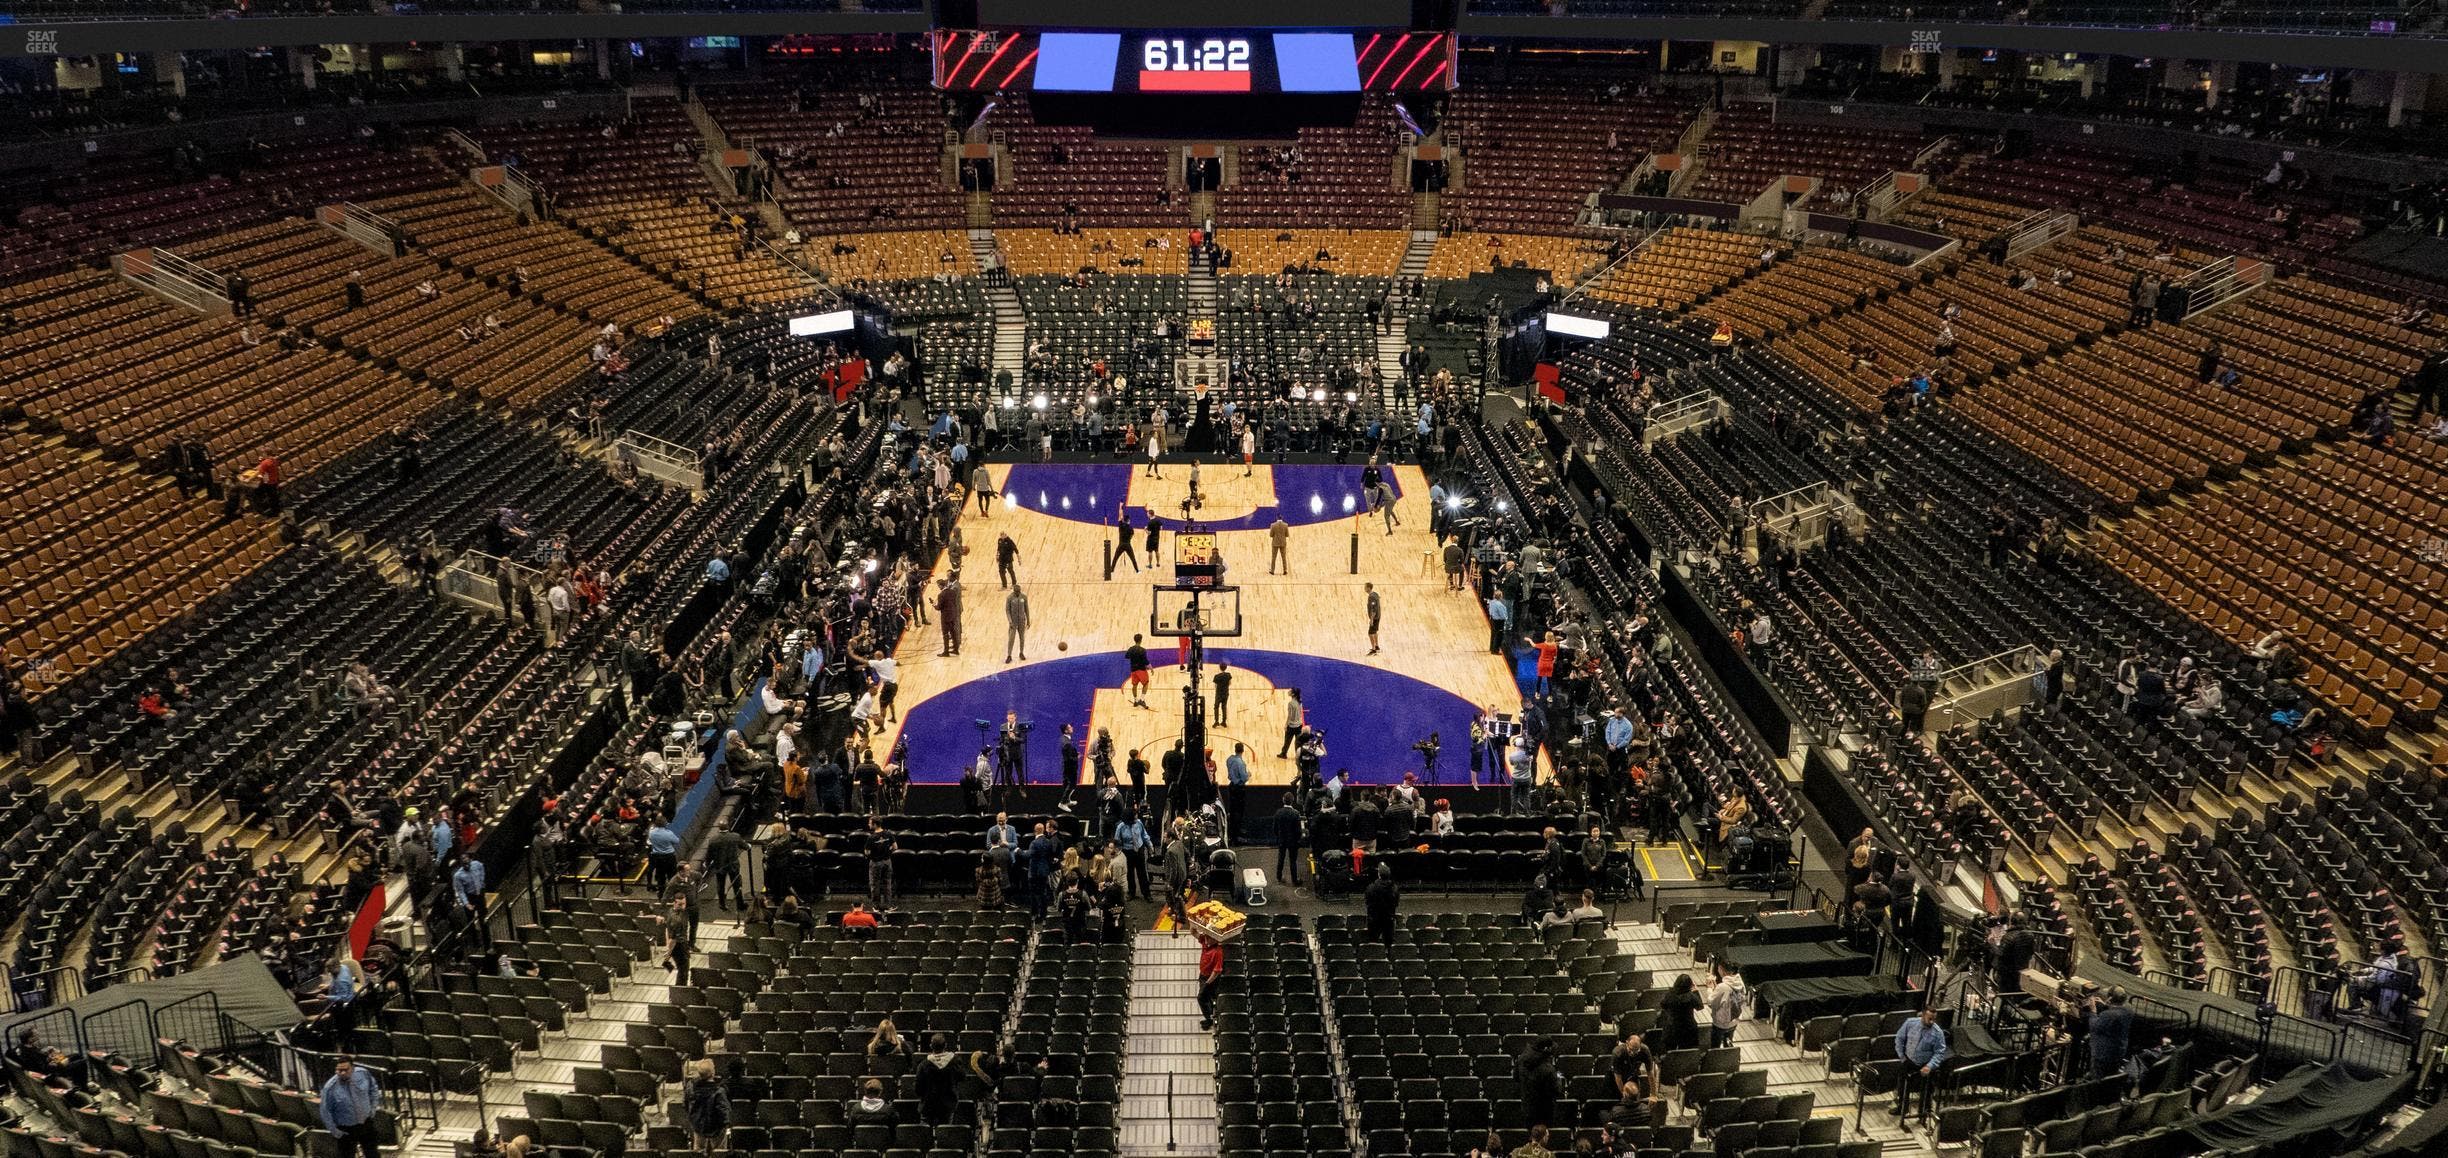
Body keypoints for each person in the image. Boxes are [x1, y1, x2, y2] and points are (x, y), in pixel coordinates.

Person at [319, 1057, 384, 1158]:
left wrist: (372, 1109)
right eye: (339, 1070)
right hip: (346, 1130)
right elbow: (325, 1112)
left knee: (373, 1154)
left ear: (353, 1068)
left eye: (346, 1070)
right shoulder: (330, 1088)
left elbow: (373, 1088)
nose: (342, 1073)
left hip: (366, 1123)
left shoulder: (363, 1073)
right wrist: (336, 1132)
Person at [1894, 1008, 1949, 1122]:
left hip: (1925, 1064)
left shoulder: (1938, 1033)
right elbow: (1899, 1039)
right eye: (1929, 1019)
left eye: (1934, 1019)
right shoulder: (1910, 1023)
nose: (1932, 1022)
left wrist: (1930, 1066)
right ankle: (1902, 1108)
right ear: (1923, 1016)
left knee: (1927, 1090)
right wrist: (1902, 1057)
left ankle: (1923, 1113)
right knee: (1902, 1085)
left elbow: (1939, 1052)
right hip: (1908, 1060)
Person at [915, 1033, 963, 1125]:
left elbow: (918, 1088)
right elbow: (962, 1077)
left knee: (925, 1134)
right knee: (945, 1133)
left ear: (931, 1046)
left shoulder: (923, 1065)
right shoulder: (955, 1063)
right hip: (947, 1105)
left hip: (928, 1105)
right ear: (945, 1045)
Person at [683, 1059, 729, 1153]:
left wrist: (693, 1118)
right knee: (719, 1152)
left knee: (698, 1151)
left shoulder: (691, 1086)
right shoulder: (719, 1091)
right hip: (716, 1127)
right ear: (713, 1073)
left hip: (698, 1125)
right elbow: (724, 1112)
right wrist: (725, 1124)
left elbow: (685, 1104)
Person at [2087, 987, 2134, 1080]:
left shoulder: (2108, 1015)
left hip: (2103, 1054)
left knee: (2098, 1080)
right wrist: (2105, 1005)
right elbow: (2116, 1012)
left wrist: (2093, 1011)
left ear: (2110, 998)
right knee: (2110, 1077)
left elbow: (2094, 1026)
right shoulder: (2129, 1009)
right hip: (2118, 1050)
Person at [1514, 1039, 1562, 1130]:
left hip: (1527, 1107)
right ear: (1546, 1049)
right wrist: (1558, 1078)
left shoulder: (1521, 1059)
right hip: (1545, 1111)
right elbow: (1557, 1091)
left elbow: (1516, 1077)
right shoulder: (1548, 1069)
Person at [1657, 974, 1704, 1052]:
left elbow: (1663, 1005)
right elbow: (1700, 1007)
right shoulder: (1691, 996)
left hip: (1672, 1027)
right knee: (1685, 1052)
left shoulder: (1670, 994)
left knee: (1669, 1051)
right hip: (1688, 1027)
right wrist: (1695, 991)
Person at [1610, 1027, 1656, 1104]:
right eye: (1631, 1050)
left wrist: (1653, 1094)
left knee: (1635, 1099)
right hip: (1615, 1077)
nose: (1633, 1053)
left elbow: (1650, 1074)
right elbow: (1618, 1077)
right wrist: (1624, 1094)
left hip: (1632, 1073)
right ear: (1626, 1043)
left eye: (1636, 1051)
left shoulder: (1645, 1051)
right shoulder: (1617, 1053)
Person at [1706, 962, 1747, 1048]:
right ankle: (1728, 1056)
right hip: (1734, 1019)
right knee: (1728, 1041)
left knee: (1715, 1045)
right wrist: (1716, 988)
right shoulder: (1739, 981)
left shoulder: (1723, 987)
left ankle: (1716, 1059)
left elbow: (1711, 1003)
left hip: (1721, 1022)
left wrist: (1710, 988)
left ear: (1722, 970)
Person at [1196, 931, 1226, 1030]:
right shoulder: (1206, 943)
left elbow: (1217, 971)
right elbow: (1193, 932)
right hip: (1203, 976)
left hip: (1210, 980)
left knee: (1201, 997)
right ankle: (1210, 1017)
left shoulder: (1218, 952)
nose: (1206, 939)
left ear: (1215, 939)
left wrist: (1207, 983)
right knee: (1205, 998)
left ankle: (1209, 1019)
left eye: (1208, 938)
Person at [1364, 863, 1401, 944]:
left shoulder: (1371, 888)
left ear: (1379, 875)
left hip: (1374, 919)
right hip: (1388, 918)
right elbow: (1396, 903)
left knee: (1373, 942)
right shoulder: (1394, 888)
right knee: (1389, 942)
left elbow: (1367, 902)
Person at [1004, 585, 1031, 663]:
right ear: (1014, 591)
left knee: (1022, 637)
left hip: (1022, 620)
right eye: (1016, 592)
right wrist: (1010, 621)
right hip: (1013, 622)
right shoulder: (1009, 598)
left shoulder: (1024, 597)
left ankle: (1021, 653)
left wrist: (1028, 620)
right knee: (1011, 639)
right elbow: (1007, 610)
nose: (1018, 593)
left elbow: (1027, 609)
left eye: (1019, 591)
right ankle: (1009, 655)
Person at [1364, 582, 1382, 656]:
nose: (1364, 588)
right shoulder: (1375, 594)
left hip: (1374, 617)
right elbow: (1378, 599)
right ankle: (1377, 646)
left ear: (1369, 588)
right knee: (1374, 631)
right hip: (1378, 616)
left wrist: (1371, 619)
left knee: (1370, 633)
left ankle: (1373, 649)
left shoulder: (1371, 597)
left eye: (1365, 587)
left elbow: (1373, 609)